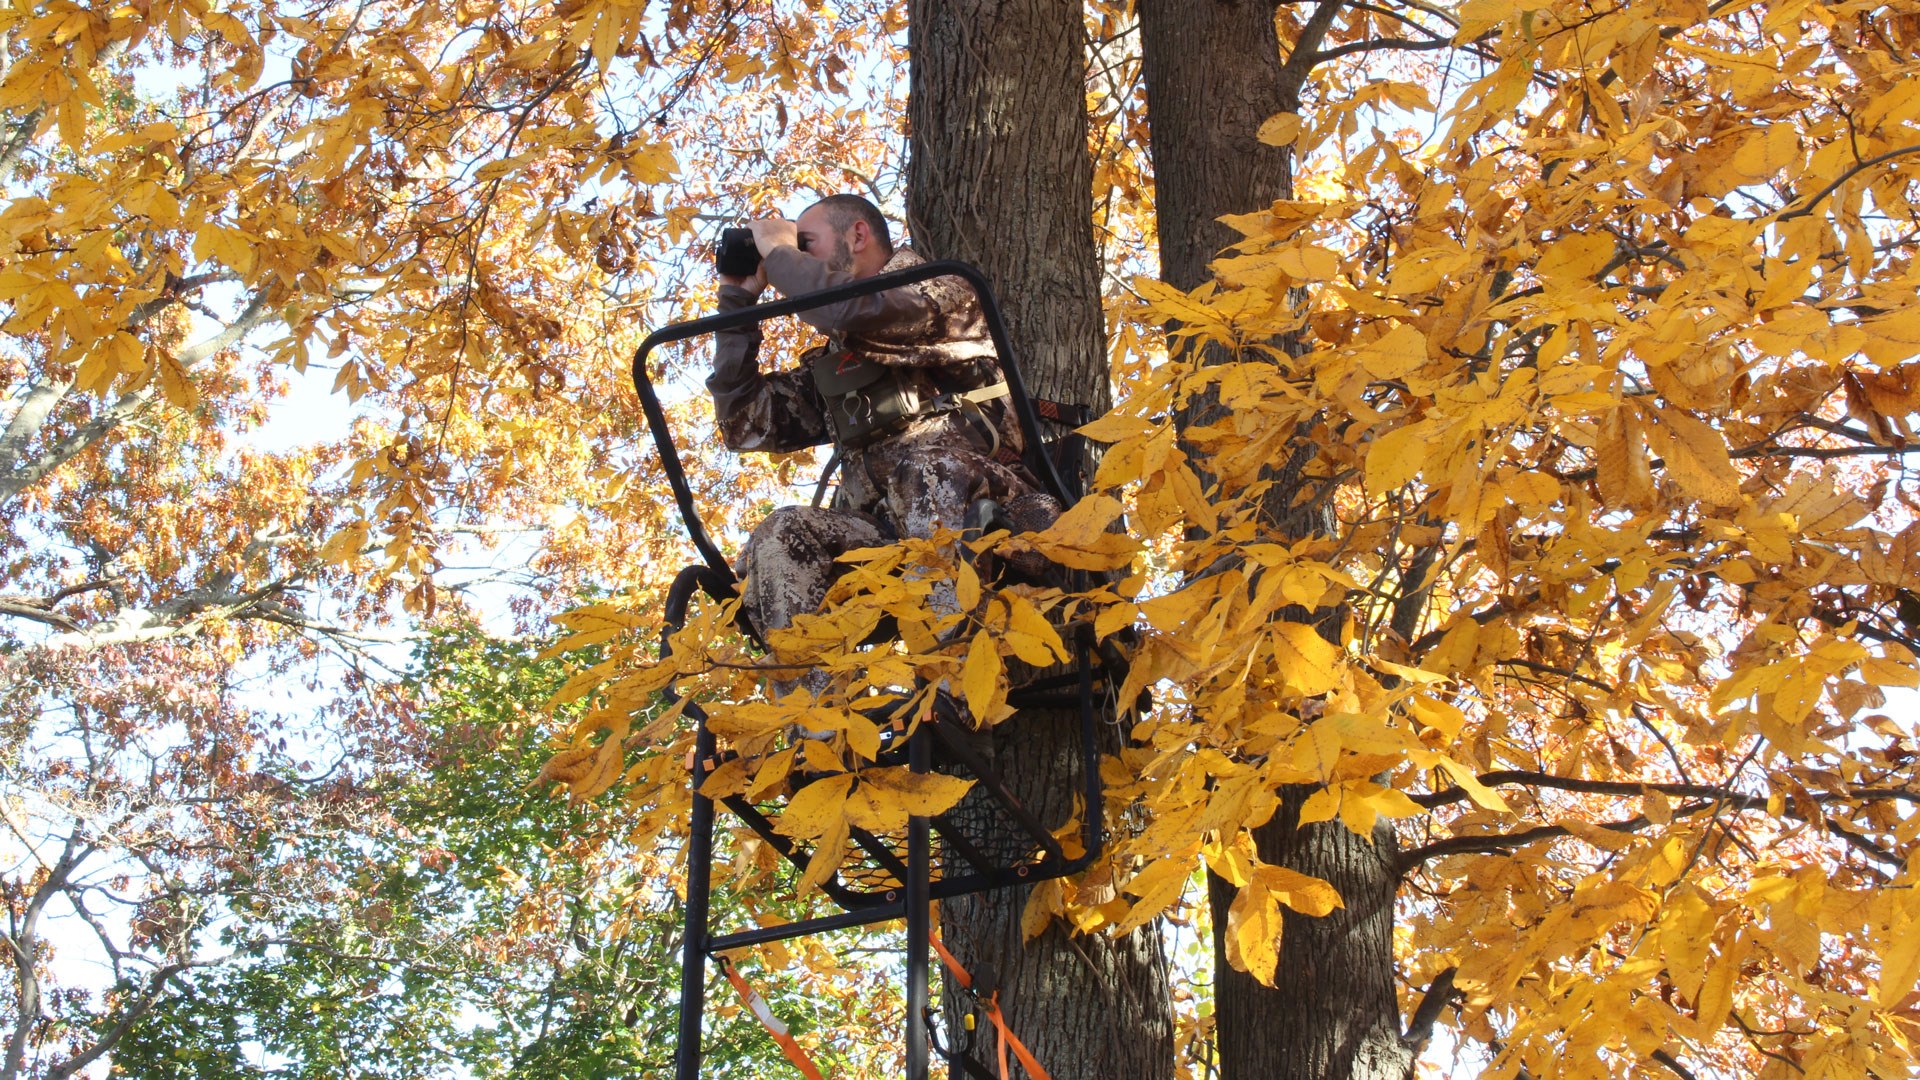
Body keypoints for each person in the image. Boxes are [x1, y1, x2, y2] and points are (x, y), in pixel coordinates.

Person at [710, 194, 1057, 699]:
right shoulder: (839, 358)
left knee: (924, 468)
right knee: (783, 530)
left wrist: (779, 252)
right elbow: (745, 424)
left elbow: (851, 312)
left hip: (989, 509)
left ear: (857, 235)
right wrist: (738, 301)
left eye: (805, 244)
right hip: (885, 536)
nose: (794, 257)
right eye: (793, 249)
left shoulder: (942, 293)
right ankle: (819, 726)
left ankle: (950, 688)